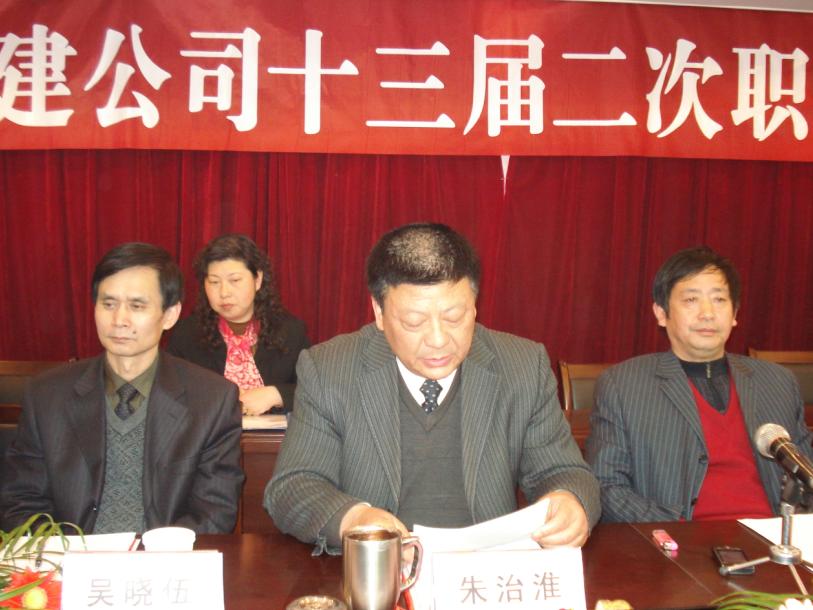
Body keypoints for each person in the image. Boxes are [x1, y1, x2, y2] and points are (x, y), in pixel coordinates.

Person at [266, 223, 599, 554]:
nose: (438, 340)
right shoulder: (329, 370)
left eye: (454, 317)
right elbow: (293, 487)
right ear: (379, 312)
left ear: (475, 305)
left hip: (486, 570)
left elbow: (563, 471)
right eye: (414, 322)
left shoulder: (522, 366)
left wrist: (570, 500)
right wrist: (355, 519)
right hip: (379, 571)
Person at [0, 243, 244, 534]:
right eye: (108, 304)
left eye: (137, 306)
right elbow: (21, 502)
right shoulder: (46, 395)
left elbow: (214, 512)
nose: (119, 320)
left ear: (170, 314)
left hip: (165, 558)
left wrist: (147, 555)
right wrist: (73, 554)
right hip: (70, 556)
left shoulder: (212, 399)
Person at [587, 246, 813, 522]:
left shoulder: (777, 381)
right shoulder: (623, 385)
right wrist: (676, 534)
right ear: (661, 313)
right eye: (691, 300)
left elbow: (806, 475)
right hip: (680, 538)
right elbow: (607, 487)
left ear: (734, 313)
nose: (707, 313)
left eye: (719, 300)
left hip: (775, 536)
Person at [168, 234, 308, 415]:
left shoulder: (291, 332)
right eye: (214, 282)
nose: (224, 292)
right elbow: (169, 393)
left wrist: (276, 394)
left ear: (257, 280)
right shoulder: (186, 334)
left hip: (275, 433)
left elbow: (315, 390)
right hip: (209, 433)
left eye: (234, 280)